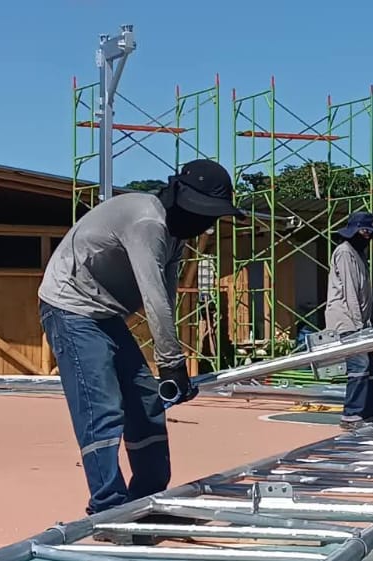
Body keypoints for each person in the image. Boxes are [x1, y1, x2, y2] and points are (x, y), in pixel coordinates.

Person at [37, 159, 246, 527]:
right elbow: (154, 298)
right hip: (71, 306)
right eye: (203, 214)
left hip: (106, 314)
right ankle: (108, 510)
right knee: (101, 407)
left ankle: (148, 499)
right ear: (180, 200)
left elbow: (166, 296)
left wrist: (172, 366)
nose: (206, 224)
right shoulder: (148, 223)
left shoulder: (175, 235)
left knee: (147, 403)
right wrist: (171, 363)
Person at [324, 211, 373, 431]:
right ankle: (352, 414)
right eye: (365, 232)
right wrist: (359, 326)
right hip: (347, 320)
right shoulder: (344, 252)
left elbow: (366, 292)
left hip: (362, 321)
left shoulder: (360, 254)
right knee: (360, 365)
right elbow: (350, 291)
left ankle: (370, 412)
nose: (367, 237)